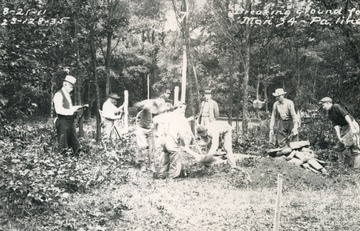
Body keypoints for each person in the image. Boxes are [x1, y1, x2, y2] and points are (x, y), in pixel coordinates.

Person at [157, 103, 203, 179]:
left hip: (165, 142)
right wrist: (184, 144)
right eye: (182, 109)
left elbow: (156, 121)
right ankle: (172, 177)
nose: (183, 111)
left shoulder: (168, 115)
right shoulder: (180, 118)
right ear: (178, 108)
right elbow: (181, 134)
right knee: (175, 161)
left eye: (184, 109)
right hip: (172, 143)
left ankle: (161, 175)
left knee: (166, 160)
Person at [318, 97, 360, 169]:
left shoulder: (336, 106)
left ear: (328, 103)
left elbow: (346, 116)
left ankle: (357, 169)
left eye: (323, 105)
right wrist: (339, 137)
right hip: (344, 128)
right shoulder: (330, 113)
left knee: (354, 147)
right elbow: (336, 126)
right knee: (339, 147)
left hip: (350, 124)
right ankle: (341, 167)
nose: (323, 107)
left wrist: (353, 128)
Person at [134, 98, 169, 172]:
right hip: (141, 128)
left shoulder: (160, 108)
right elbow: (136, 105)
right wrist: (142, 105)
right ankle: (142, 165)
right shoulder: (147, 104)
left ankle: (151, 165)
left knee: (152, 148)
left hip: (151, 128)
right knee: (142, 146)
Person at [53, 75, 85, 156]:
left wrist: (77, 107)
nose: (72, 88)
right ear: (65, 84)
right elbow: (59, 110)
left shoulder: (67, 95)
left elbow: (69, 108)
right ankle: (62, 160)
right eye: (70, 86)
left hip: (70, 121)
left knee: (74, 140)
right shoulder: (58, 95)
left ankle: (78, 156)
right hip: (63, 121)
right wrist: (72, 111)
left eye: (72, 86)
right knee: (63, 142)